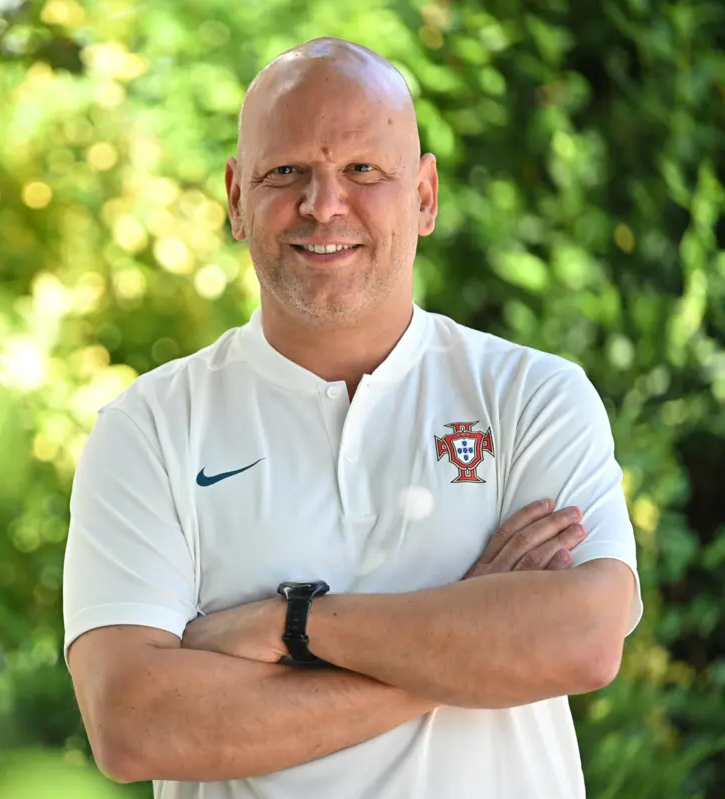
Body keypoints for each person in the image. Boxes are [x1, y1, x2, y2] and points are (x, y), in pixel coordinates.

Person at [62, 37, 642, 799]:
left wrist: (293, 625)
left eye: (364, 169)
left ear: (424, 196)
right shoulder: (150, 428)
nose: (324, 204)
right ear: (235, 198)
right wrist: (470, 642)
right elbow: (134, 725)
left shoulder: (531, 395)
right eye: (285, 172)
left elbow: (584, 639)